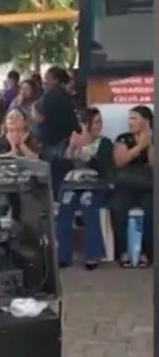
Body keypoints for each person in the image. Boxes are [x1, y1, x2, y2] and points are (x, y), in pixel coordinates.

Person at [56, 107, 114, 270]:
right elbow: (60, 163)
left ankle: (92, 255)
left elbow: (105, 169)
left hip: (95, 185)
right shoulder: (71, 140)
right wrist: (72, 147)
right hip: (72, 184)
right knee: (65, 207)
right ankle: (63, 256)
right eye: (94, 122)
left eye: (100, 122)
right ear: (84, 124)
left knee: (88, 204)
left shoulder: (104, 143)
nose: (98, 126)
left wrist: (87, 154)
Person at [110, 105, 153, 268]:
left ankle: (146, 253)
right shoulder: (124, 138)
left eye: (134, 118)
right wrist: (139, 147)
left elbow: (153, 165)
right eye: (129, 118)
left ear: (146, 121)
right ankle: (123, 251)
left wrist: (150, 143)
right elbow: (120, 162)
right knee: (118, 207)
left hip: (148, 185)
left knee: (151, 209)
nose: (130, 122)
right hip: (127, 184)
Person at [36, 66, 80, 196]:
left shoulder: (50, 96)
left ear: (55, 80)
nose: (44, 81)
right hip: (65, 143)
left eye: (47, 78)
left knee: (52, 181)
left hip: (52, 144)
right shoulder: (66, 97)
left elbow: (40, 118)